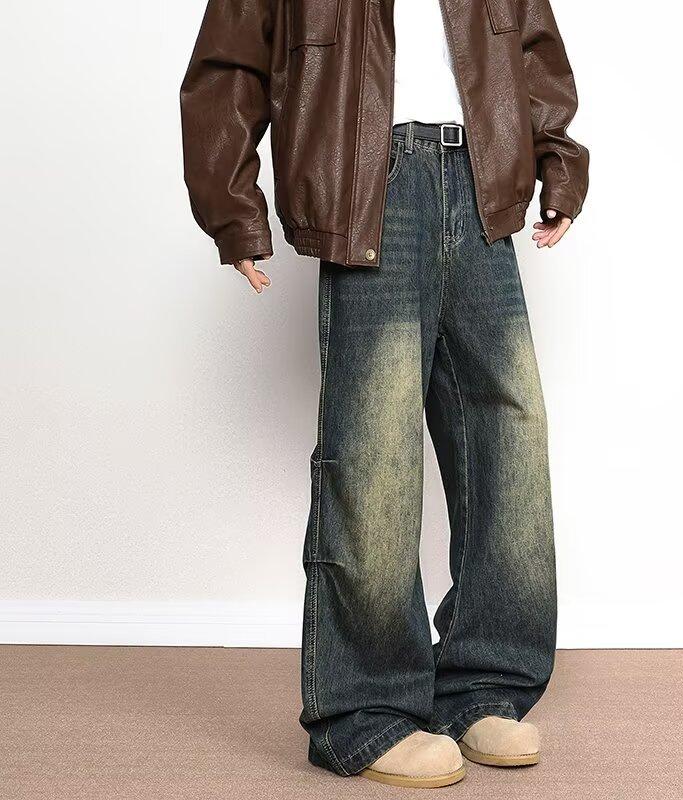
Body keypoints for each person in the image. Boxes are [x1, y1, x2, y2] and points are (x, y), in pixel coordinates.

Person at [181, 0, 588, 788]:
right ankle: (364, 712)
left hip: (481, 184)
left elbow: (531, 45)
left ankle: (483, 687)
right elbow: (227, 67)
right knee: (374, 453)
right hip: (372, 184)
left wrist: (557, 163)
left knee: (509, 438)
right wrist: (233, 213)